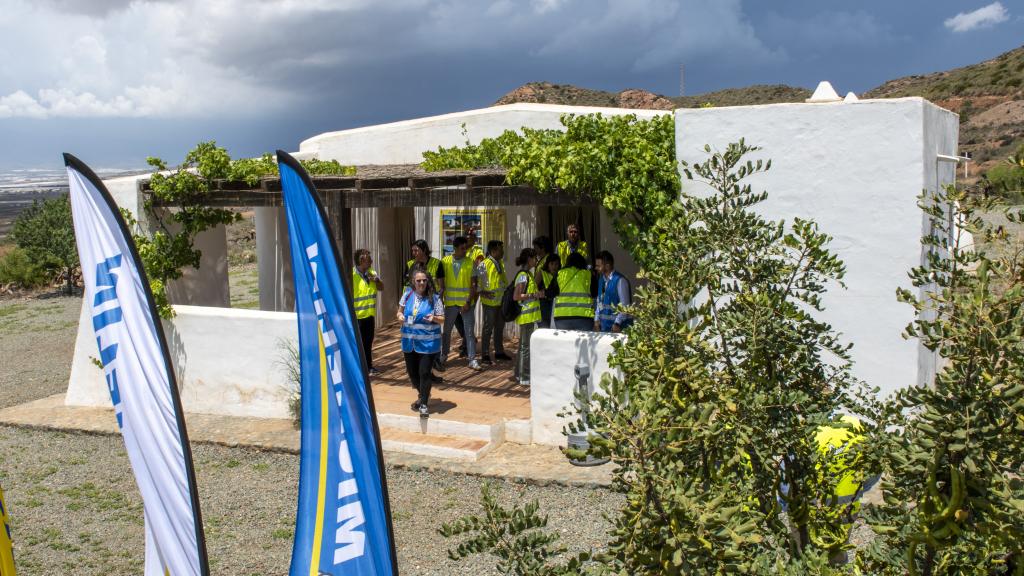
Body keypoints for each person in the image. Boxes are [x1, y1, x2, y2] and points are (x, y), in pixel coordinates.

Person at [396, 266, 445, 417]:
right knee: (412, 374)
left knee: (424, 373)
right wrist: (399, 317)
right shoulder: (407, 295)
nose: (422, 283)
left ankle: (423, 404)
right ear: (413, 282)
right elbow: (399, 311)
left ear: (428, 281)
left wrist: (434, 318)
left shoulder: (435, 298)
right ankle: (423, 394)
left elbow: (442, 319)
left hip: (428, 345)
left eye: (424, 280)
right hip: (409, 343)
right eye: (419, 281)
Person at [441, 236, 482, 371]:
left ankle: (472, 359)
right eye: (462, 248)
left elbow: (474, 285)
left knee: (469, 332)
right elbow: (440, 283)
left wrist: (468, 302)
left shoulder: (470, 263)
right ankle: (443, 355)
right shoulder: (445, 261)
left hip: (466, 303)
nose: (465, 251)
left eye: (466, 248)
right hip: (450, 303)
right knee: (446, 331)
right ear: (455, 248)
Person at [352, 248, 385, 375]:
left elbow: (381, 288)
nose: (371, 261)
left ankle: (368, 366)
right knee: (358, 344)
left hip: (369, 315)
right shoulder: (352, 275)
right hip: (357, 317)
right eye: (369, 259)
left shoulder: (372, 272)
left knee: (368, 343)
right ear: (361, 261)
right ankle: (358, 368)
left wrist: (376, 280)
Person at [478, 239, 511, 364]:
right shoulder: (484, 264)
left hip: (500, 301)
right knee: (488, 328)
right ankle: (485, 354)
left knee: (499, 327)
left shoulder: (500, 263)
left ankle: (499, 352)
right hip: (490, 302)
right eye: (500, 249)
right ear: (493, 251)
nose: (503, 252)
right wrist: (482, 292)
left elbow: (502, 281)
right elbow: (478, 281)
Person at [512, 248, 541, 385]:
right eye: (534, 258)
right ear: (529, 259)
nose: (536, 260)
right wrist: (534, 295)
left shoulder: (528, 274)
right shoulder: (523, 275)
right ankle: (524, 377)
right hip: (526, 316)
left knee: (523, 346)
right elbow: (517, 296)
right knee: (525, 347)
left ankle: (518, 374)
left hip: (528, 316)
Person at [552, 251, 595, 331]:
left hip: (562, 317)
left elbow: (552, 292)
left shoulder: (560, 273)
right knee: (583, 343)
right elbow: (595, 292)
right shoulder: (588, 274)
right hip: (584, 317)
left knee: (566, 343)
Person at [593, 250, 632, 333]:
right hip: (605, 329)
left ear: (607, 266)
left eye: (598, 266)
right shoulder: (601, 280)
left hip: (620, 329)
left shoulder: (620, 281)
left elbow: (625, 307)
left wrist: (617, 323)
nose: (596, 268)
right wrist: (596, 320)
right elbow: (600, 301)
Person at [536, 250, 560, 328]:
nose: (554, 266)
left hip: (556, 304)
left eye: (556, 264)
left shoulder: (561, 274)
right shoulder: (541, 273)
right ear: (547, 264)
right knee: (544, 327)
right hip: (544, 304)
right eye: (552, 264)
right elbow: (533, 287)